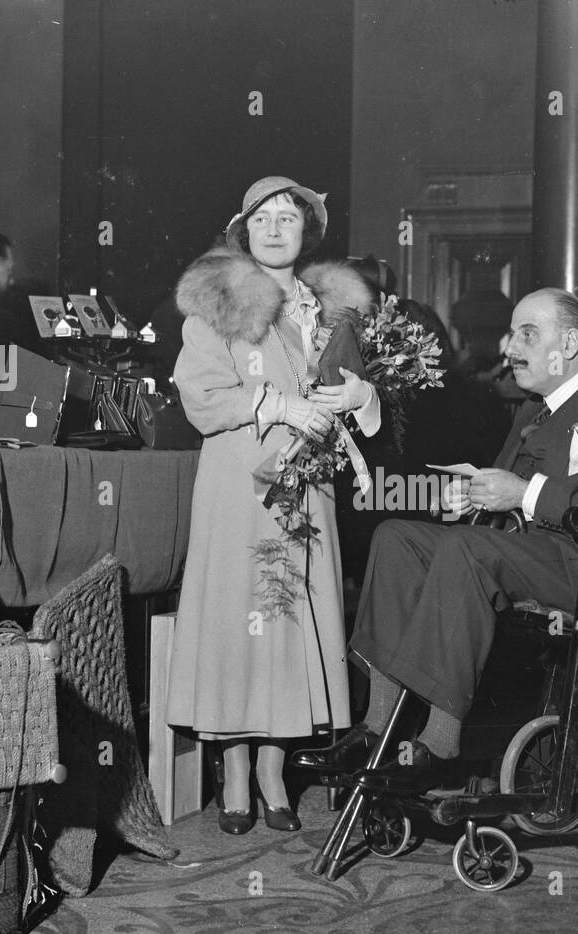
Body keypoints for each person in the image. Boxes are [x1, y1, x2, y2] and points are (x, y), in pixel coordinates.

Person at [293, 287, 578, 793]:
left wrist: (521, 493)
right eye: (512, 333)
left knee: (468, 551)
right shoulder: (532, 412)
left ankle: (440, 741)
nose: (510, 347)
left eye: (527, 334)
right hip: (542, 557)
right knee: (396, 537)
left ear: (569, 342)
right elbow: (511, 499)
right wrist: (475, 498)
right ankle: (376, 728)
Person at [167, 176, 380, 832]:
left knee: (288, 616)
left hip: (307, 485)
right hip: (239, 481)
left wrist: (360, 400)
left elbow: (365, 398)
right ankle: (234, 769)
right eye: (263, 217)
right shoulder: (220, 299)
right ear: (244, 228)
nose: (275, 226)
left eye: (289, 216)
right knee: (240, 618)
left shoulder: (334, 306)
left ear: (307, 230)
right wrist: (274, 404)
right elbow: (199, 395)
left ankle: (272, 769)